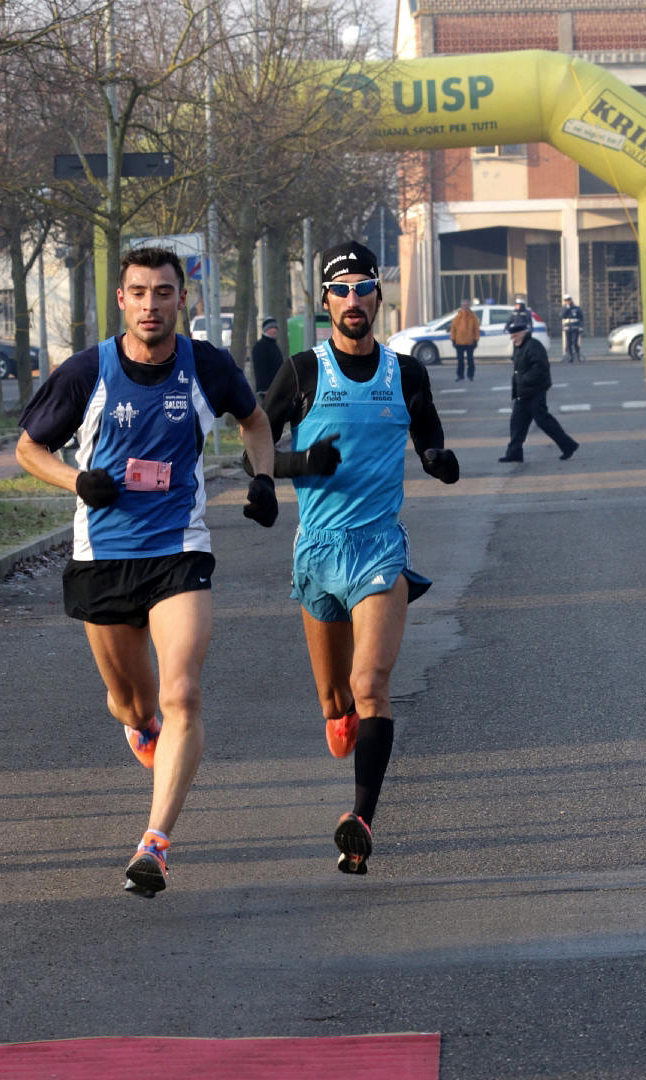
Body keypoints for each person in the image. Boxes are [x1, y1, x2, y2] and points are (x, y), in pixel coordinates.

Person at [15, 246, 277, 898]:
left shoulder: (206, 365)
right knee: (129, 702)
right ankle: (141, 726)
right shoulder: (87, 372)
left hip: (177, 551)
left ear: (180, 300)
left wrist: (264, 478)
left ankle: (154, 845)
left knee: (182, 692)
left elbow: (253, 420)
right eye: (139, 293)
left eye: (163, 293)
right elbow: (28, 448)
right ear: (121, 300)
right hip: (102, 555)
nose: (151, 305)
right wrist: (78, 479)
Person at [254, 240, 459, 875]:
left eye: (362, 288)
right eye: (339, 290)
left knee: (371, 686)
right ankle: (340, 720)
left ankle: (360, 820)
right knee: (336, 702)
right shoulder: (302, 371)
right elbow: (255, 452)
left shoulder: (407, 373)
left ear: (377, 297)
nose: (352, 300)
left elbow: (427, 431)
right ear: (324, 302)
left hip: (379, 550)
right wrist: (293, 467)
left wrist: (436, 460)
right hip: (317, 553)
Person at [498, 315, 579, 463]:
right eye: (511, 336)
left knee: (544, 421)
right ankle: (514, 453)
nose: (512, 339)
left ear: (523, 333)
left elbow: (541, 368)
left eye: (515, 335)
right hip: (522, 393)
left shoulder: (533, 345)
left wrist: (524, 379)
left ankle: (568, 445)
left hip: (535, 392)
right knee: (517, 423)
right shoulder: (519, 347)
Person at [252, 315, 283, 399]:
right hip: (268, 390)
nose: (274, 330)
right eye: (271, 327)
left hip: (277, 387)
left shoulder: (274, 345)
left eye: (275, 327)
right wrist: (264, 389)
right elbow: (260, 369)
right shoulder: (260, 346)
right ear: (265, 329)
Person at [449, 298, 480, 381]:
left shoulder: (473, 316)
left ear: (469, 306)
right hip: (459, 342)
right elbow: (453, 329)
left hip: (470, 342)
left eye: (466, 305)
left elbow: (476, 329)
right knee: (460, 361)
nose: (465, 307)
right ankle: (460, 376)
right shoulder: (457, 316)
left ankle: (470, 376)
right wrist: (453, 339)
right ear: (461, 306)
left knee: (470, 361)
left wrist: (476, 340)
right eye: (463, 305)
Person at [561, 293, 584, 362]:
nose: (567, 301)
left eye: (568, 300)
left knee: (574, 342)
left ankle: (577, 355)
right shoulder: (564, 308)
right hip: (568, 328)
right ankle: (570, 357)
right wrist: (567, 308)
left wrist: (581, 326)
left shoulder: (576, 308)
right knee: (568, 343)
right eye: (566, 300)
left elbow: (581, 317)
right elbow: (562, 316)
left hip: (575, 327)